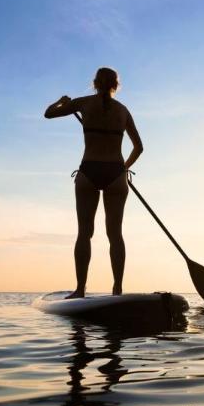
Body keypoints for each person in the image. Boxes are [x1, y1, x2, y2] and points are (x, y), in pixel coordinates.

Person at [44, 67, 143, 297]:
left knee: (84, 233)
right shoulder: (123, 111)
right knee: (115, 234)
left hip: (89, 171)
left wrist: (61, 101)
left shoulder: (83, 103)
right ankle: (117, 289)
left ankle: (80, 289)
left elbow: (48, 113)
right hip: (116, 174)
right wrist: (123, 169)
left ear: (95, 83)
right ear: (115, 86)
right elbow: (139, 147)